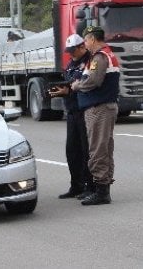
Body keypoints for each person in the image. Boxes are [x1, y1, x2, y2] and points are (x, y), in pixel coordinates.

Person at [71, 25, 120, 206]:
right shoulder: (105, 54)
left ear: (92, 39)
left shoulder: (100, 57)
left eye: (86, 40)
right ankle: (102, 187)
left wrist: (77, 86)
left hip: (99, 108)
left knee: (98, 149)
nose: (85, 44)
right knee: (104, 147)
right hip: (102, 107)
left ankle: (101, 190)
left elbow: (93, 80)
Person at [49, 34, 92, 199]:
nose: (71, 54)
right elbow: (68, 82)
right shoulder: (70, 64)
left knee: (86, 150)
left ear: (82, 46)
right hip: (72, 111)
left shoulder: (89, 61)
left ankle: (90, 185)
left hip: (84, 110)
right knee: (72, 151)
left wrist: (70, 90)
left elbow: (86, 83)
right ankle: (76, 185)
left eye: (74, 50)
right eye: (69, 51)